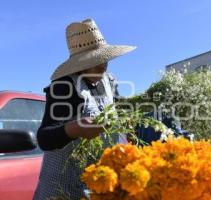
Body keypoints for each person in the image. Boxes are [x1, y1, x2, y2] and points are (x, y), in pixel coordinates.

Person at [33, 18, 136, 200]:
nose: (103, 66)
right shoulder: (64, 86)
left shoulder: (108, 82)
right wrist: (74, 128)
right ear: (80, 64)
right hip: (62, 187)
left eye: (104, 60)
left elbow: (124, 114)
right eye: (96, 61)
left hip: (96, 184)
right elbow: (44, 138)